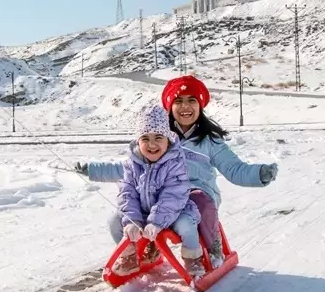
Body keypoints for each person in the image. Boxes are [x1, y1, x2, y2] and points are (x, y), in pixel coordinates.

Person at [79, 76, 277, 269]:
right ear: (169, 106)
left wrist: (259, 174)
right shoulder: (159, 139)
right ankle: (145, 247)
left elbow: (235, 169)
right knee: (125, 212)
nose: (185, 107)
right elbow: (128, 168)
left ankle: (212, 244)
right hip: (160, 196)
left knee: (201, 200)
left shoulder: (210, 142)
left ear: (200, 106)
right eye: (179, 101)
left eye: (192, 100)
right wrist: (92, 170)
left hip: (196, 194)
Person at [110, 104, 204, 278]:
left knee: (187, 224)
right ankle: (130, 256)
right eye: (145, 138)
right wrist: (132, 220)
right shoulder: (131, 164)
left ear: (168, 139)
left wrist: (157, 222)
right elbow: (126, 193)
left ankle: (193, 260)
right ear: (138, 141)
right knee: (114, 221)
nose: (151, 144)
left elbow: (173, 195)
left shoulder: (175, 163)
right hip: (143, 213)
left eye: (158, 137)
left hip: (176, 211)